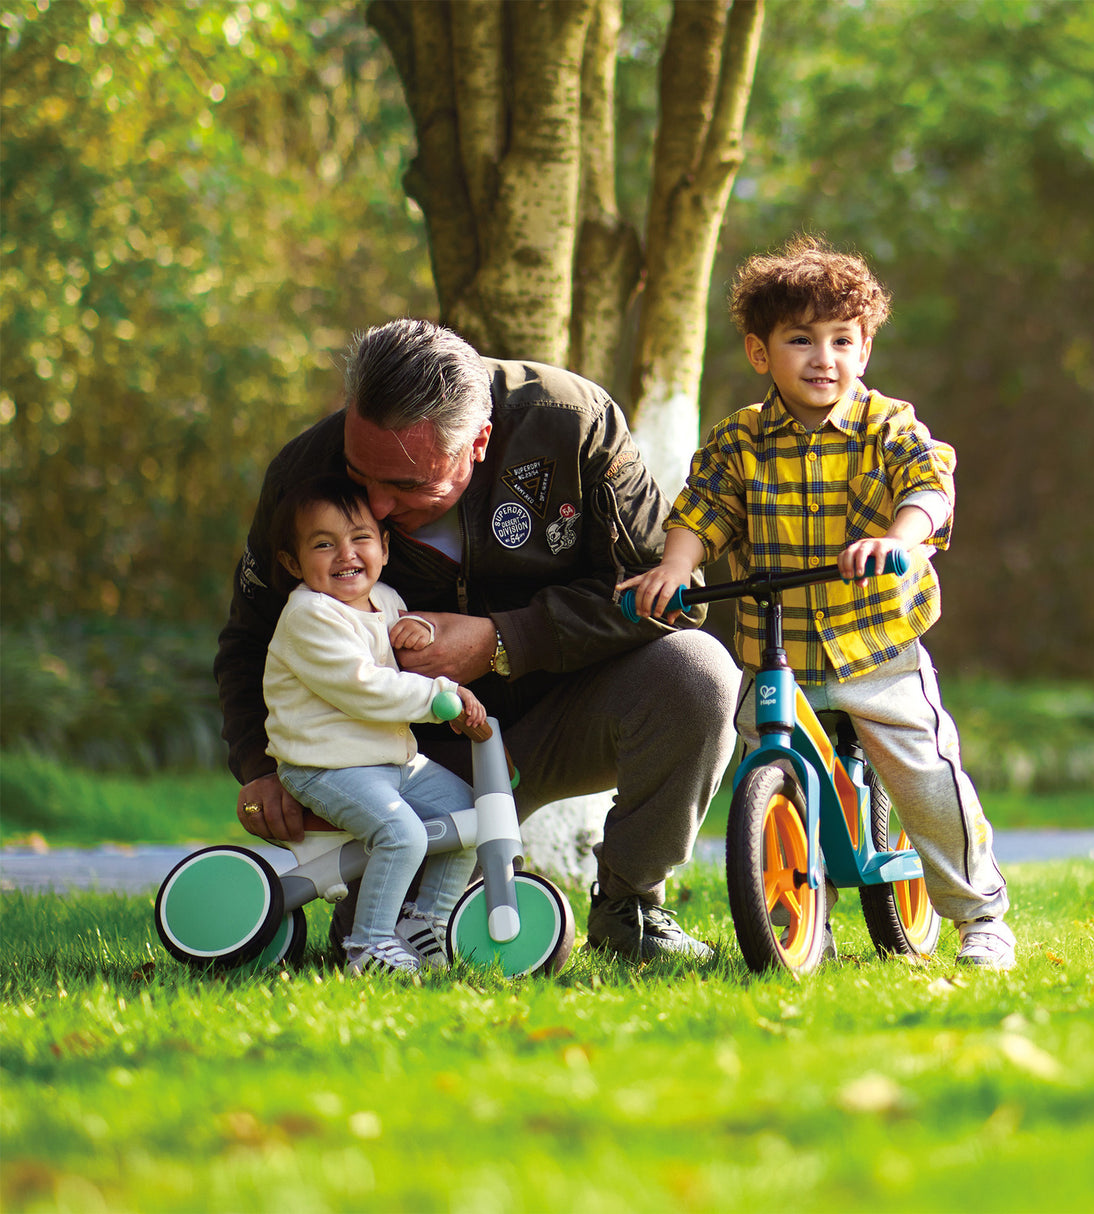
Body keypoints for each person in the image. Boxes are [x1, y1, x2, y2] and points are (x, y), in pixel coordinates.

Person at [216, 319, 740, 963]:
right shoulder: (302, 474)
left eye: (408, 486)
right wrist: (258, 767)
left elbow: (668, 593)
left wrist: (505, 638)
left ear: (480, 442)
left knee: (699, 671)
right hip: (416, 756)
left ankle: (631, 905)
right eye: (361, 475)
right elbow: (249, 639)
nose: (375, 508)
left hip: (570, 711)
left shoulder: (571, 423)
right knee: (394, 939)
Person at [619, 234, 1015, 969]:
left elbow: (929, 484)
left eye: (842, 340)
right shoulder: (739, 441)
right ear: (760, 352)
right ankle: (799, 917)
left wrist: (901, 537)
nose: (823, 358)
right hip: (781, 654)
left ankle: (980, 915)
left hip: (877, 648)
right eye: (800, 340)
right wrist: (675, 567)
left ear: (864, 351)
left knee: (926, 775)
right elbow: (702, 511)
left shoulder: (886, 425)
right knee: (758, 763)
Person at [264, 474, 483, 977]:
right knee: (402, 834)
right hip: (324, 765)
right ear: (293, 563)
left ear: (383, 546)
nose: (346, 554)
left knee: (469, 813)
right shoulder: (309, 617)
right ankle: (369, 946)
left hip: (389, 760)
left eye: (360, 538)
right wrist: (439, 697)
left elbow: (396, 641)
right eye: (324, 544)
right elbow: (365, 687)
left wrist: (420, 629)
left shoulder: (383, 599)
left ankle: (426, 923)